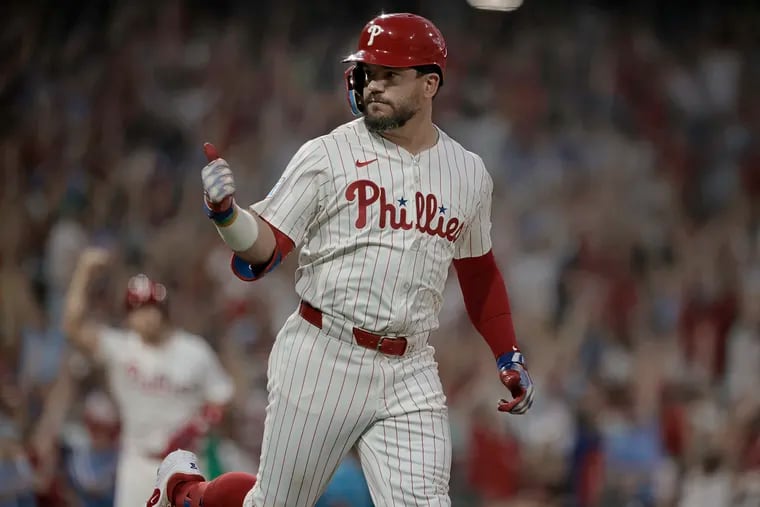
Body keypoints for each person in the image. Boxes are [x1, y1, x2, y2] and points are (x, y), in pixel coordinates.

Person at [148, 12, 535, 507]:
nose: (373, 85)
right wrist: (226, 215)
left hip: (410, 366)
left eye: (389, 75)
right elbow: (265, 248)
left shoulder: (468, 173)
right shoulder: (328, 154)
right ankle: (187, 493)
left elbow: (479, 272)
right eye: (368, 73)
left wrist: (507, 353)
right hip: (325, 352)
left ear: (429, 84)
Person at [62, 248, 234, 507]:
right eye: (137, 309)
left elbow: (223, 396)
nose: (145, 316)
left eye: (150, 307)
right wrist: (84, 273)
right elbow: (73, 327)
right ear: (128, 316)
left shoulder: (193, 350)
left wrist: (200, 424)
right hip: (139, 463)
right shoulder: (120, 349)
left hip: (187, 467)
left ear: (164, 310)